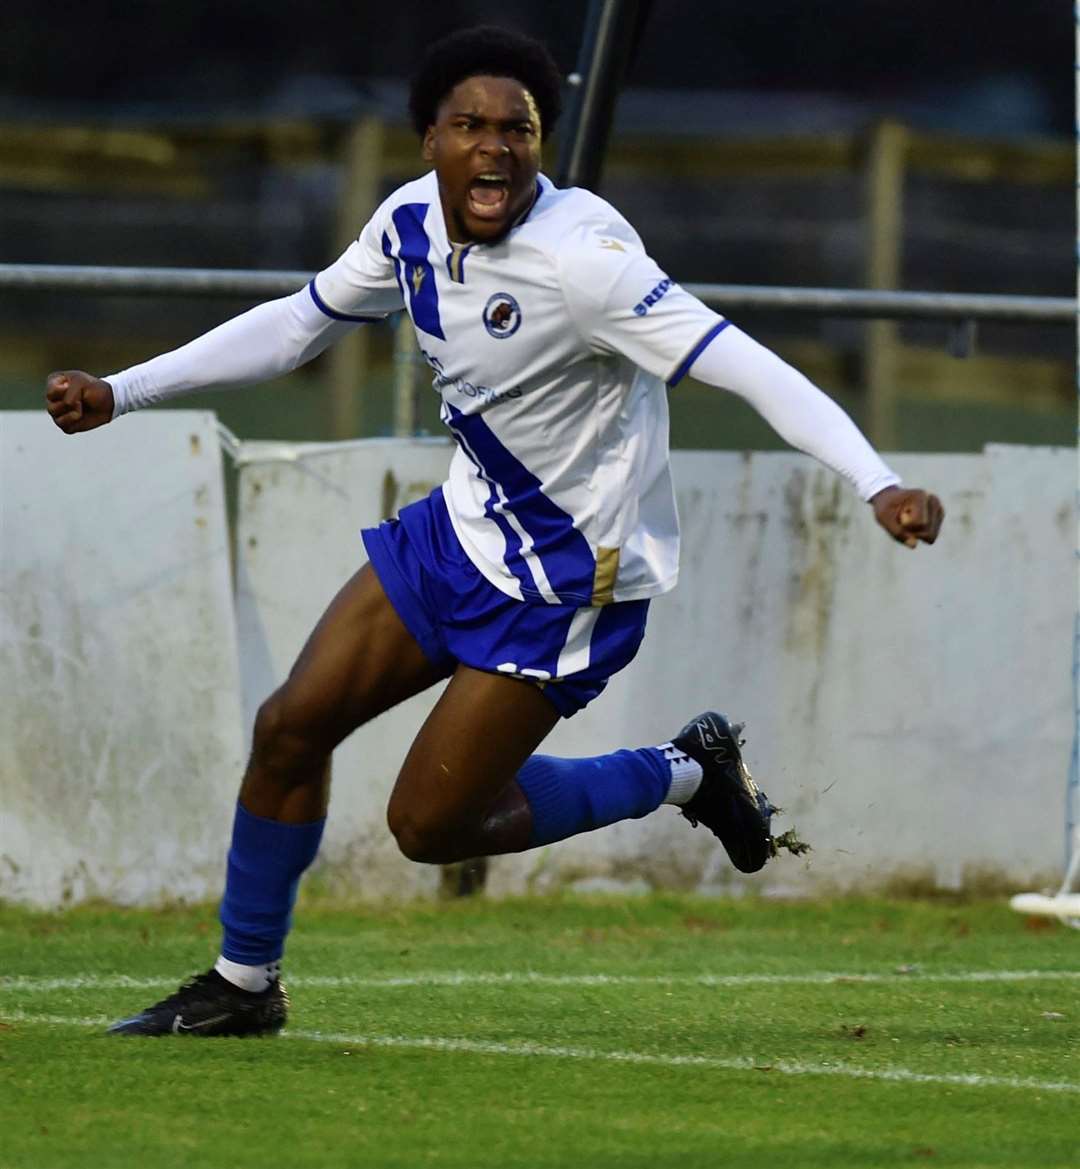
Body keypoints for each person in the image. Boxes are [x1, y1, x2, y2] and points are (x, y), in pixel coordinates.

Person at [45, 25, 944, 1037]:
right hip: (460, 537)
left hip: (568, 585)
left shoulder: (587, 259)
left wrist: (876, 479)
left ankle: (686, 772)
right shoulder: (407, 224)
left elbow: (749, 367)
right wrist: (124, 389)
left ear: (539, 146)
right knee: (289, 727)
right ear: (428, 139)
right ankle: (242, 985)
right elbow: (299, 325)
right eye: (469, 125)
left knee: (428, 826)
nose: (495, 147)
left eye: (517, 129)